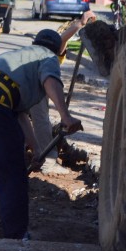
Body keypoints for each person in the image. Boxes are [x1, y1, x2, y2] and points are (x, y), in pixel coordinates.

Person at [0, 29, 83, 240]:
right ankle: (16, 233)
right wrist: (65, 116)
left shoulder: (19, 55)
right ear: (58, 50)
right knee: (12, 171)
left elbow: (19, 114)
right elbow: (50, 80)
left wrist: (36, 148)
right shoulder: (48, 56)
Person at [29, 10, 97, 174]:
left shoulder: (36, 54)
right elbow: (61, 40)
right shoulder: (48, 58)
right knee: (41, 119)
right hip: (26, 89)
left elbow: (62, 39)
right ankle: (48, 161)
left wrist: (80, 24)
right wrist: (65, 116)